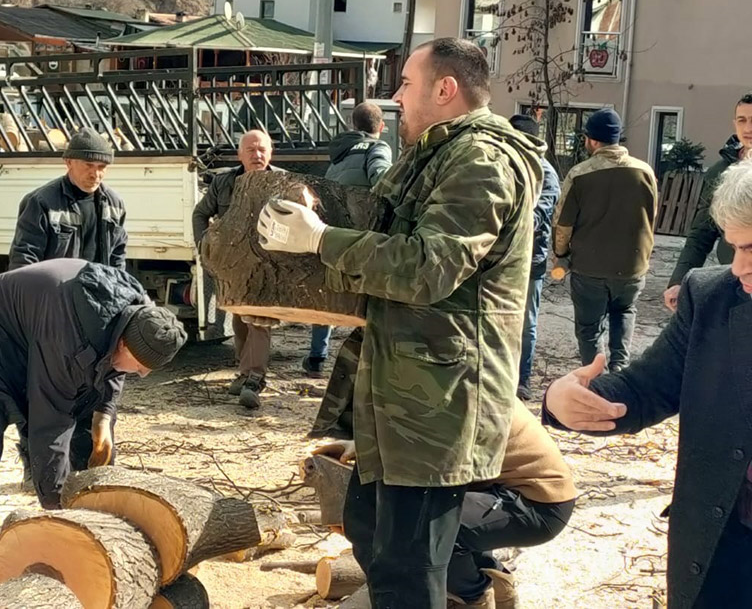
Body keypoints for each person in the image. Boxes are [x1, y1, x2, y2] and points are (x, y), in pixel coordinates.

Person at [258, 37, 542, 608]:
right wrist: (313, 209)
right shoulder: (436, 152)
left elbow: (429, 267)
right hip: (402, 394)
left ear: (446, 88)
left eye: (407, 84)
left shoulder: (480, 160)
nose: (396, 96)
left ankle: (470, 592)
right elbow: (384, 225)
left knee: (408, 568)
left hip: (438, 402)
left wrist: (322, 240)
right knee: (370, 531)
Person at [543, 161, 752, 609]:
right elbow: (645, 389)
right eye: (734, 247)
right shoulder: (711, 297)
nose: (738, 267)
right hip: (725, 546)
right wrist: (570, 400)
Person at [0, 258, 186, 580]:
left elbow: (113, 368)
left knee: (87, 415)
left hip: (36, 331)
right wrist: (58, 511)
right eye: (141, 366)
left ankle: (90, 512)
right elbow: (50, 425)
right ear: (123, 343)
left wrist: (104, 416)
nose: (142, 374)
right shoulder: (69, 337)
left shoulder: (141, 315)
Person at [317, 404, 577, 609]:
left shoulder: (459, 394)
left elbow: (436, 474)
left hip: (537, 501)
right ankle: (482, 581)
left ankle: (475, 596)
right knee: (404, 527)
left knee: (426, 533)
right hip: (491, 486)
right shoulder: (428, 393)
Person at [552, 108, 657, 372]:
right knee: (625, 312)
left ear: (592, 140)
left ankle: (596, 378)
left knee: (589, 328)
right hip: (632, 265)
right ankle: (620, 371)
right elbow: (651, 215)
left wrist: (561, 254)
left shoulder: (580, 174)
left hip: (589, 266)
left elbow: (563, 224)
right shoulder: (645, 171)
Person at [193, 129, 283, 408]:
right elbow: (200, 213)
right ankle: (244, 371)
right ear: (239, 155)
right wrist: (206, 247)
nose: (257, 155)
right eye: (251, 150)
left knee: (260, 319)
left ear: (271, 153)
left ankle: (255, 377)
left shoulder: (283, 181)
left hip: (269, 264)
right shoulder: (224, 182)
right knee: (240, 319)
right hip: (234, 265)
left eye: (262, 149)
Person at [304, 102, 394, 379]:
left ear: (353, 125)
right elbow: (381, 175)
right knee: (370, 293)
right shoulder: (378, 147)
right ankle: (370, 359)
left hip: (333, 231)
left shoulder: (339, 155)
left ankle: (317, 357)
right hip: (361, 232)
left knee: (330, 290)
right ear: (381, 126)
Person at [664, 93, 752, 310]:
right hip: (736, 280)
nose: (748, 128)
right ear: (734, 123)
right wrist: (679, 281)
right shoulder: (720, 172)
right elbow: (702, 232)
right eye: (742, 120)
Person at [9, 127, 127, 270]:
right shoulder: (41, 202)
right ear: (69, 162)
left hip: (99, 284)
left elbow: (117, 257)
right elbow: (25, 259)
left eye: (101, 167)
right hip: (55, 285)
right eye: (88, 165)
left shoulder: (114, 204)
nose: (95, 174)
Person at [508, 114, 561, 400]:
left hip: (530, 260)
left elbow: (539, 215)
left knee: (525, 323)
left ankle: (522, 380)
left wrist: (502, 222)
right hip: (497, 259)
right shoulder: (501, 163)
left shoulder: (546, 173)